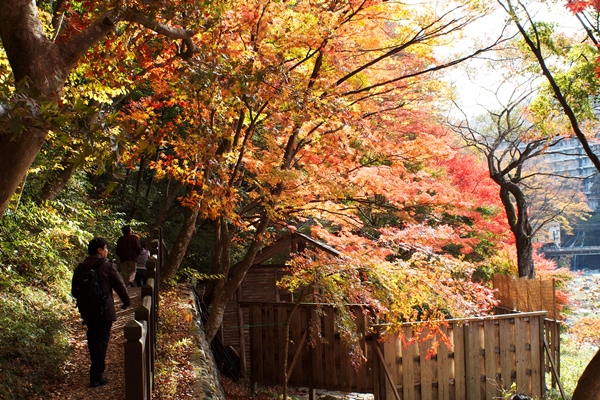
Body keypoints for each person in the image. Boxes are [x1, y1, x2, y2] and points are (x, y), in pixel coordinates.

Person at [71, 238, 131, 387]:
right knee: (102, 341)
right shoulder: (106, 266)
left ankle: (95, 369)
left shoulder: (81, 267)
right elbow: (119, 285)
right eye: (105, 248)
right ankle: (96, 375)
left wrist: (87, 301)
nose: (107, 251)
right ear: (99, 250)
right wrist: (127, 302)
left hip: (88, 311)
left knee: (93, 339)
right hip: (104, 311)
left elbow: (74, 291)